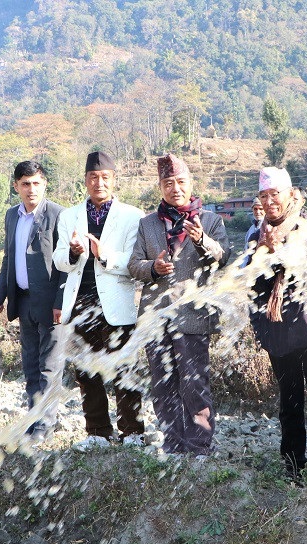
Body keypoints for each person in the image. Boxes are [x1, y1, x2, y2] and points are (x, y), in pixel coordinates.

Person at [128, 154, 231, 454]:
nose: (176, 188)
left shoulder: (210, 220)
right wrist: (153, 268)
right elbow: (134, 264)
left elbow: (224, 257)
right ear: (160, 187)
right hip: (156, 318)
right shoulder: (147, 224)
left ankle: (199, 447)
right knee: (162, 386)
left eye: (181, 182)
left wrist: (202, 242)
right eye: (168, 183)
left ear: (191, 184)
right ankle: (174, 446)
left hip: (193, 315)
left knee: (194, 384)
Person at [53, 151, 145, 444]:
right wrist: (73, 253)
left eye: (105, 177)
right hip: (80, 302)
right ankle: (98, 433)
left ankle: (132, 431)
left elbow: (134, 261)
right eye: (93, 177)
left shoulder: (132, 216)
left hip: (116, 303)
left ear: (113, 179)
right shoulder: (69, 216)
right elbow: (58, 261)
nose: (99, 183)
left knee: (124, 369)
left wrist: (103, 255)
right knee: (86, 372)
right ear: (85, 181)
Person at [248, 166, 307, 482]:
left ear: (289, 195)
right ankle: (293, 467)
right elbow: (254, 286)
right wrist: (263, 254)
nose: (270, 202)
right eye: (264, 196)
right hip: (280, 333)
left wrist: (278, 252)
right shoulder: (257, 235)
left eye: (275, 195)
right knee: (290, 402)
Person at [0, 160, 67, 442]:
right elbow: (8, 257)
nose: (31, 189)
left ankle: (45, 426)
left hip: (51, 303)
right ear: (16, 186)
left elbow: (67, 265)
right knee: (31, 364)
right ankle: (34, 419)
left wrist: (61, 301)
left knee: (50, 365)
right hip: (22, 300)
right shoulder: (12, 216)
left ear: (44, 184)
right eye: (25, 184)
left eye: (36, 183)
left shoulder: (59, 215)